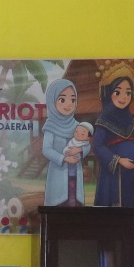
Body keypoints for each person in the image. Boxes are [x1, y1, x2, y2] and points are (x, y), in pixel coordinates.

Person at [91, 61, 134, 206]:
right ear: (108, 93)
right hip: (115, 175)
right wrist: (119, 160)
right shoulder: (103, 120)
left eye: (128, 92)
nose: (123, 97)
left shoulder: (130, 120)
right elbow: (98, 146)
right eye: (118, 92)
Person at [40, 79, 81, 207]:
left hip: (75, 176)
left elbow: (86, 145)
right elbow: (46, 149)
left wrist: (80, 150)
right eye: (62, 100)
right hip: (58, 176)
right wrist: (64, 158)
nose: (68, 104)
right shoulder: (50, 126)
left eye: (72, 100)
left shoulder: (77, 126)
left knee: (75, 207)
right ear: (52, 102)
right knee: (58, 207)